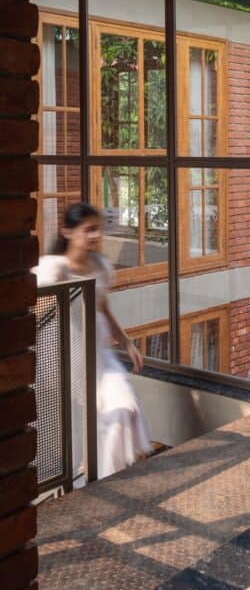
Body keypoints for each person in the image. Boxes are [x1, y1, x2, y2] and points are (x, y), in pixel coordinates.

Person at [35, 203, 152, 479]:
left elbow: (103, 306)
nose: (95, 236)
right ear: (67, 231)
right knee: (84, 427)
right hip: (65, 356)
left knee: (125, 408)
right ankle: (96, 478)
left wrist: (125, 342)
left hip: (99, 352)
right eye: (88, 230)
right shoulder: (54, 267)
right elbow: (35, 313)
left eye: (97, 229)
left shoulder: (99, 264)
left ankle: (110, 476)